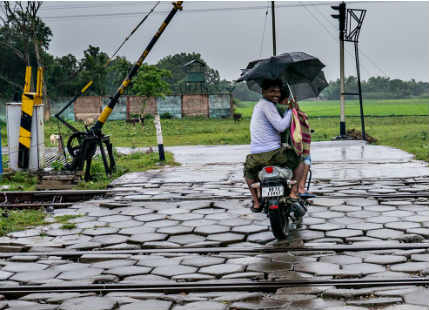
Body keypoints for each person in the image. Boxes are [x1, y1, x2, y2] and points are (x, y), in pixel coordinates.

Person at [243, 79, 306, 213]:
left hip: (256, 154)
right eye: (272, 91)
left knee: (248, 172)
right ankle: (294, 192)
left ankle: (256, 202)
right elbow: (281, 126)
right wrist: (291, 111)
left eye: (278, 91)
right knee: (301, 160)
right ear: (263, 91)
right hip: (274, 153)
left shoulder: (259, 106)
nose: (276, 94)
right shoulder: (267, 105)